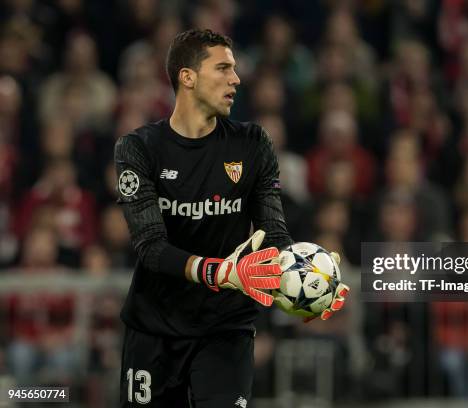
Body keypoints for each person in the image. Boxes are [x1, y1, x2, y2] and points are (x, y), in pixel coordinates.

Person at [114, 29, 349, 407]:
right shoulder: (138, 149)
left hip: (226, 326)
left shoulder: (253, 143)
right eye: (222, 68)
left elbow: (274, 233)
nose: (236, 79)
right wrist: (218, 272)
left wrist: (301, 282)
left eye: (235, 69)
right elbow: (151, 247)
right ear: (187, 77)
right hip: (154, 328)